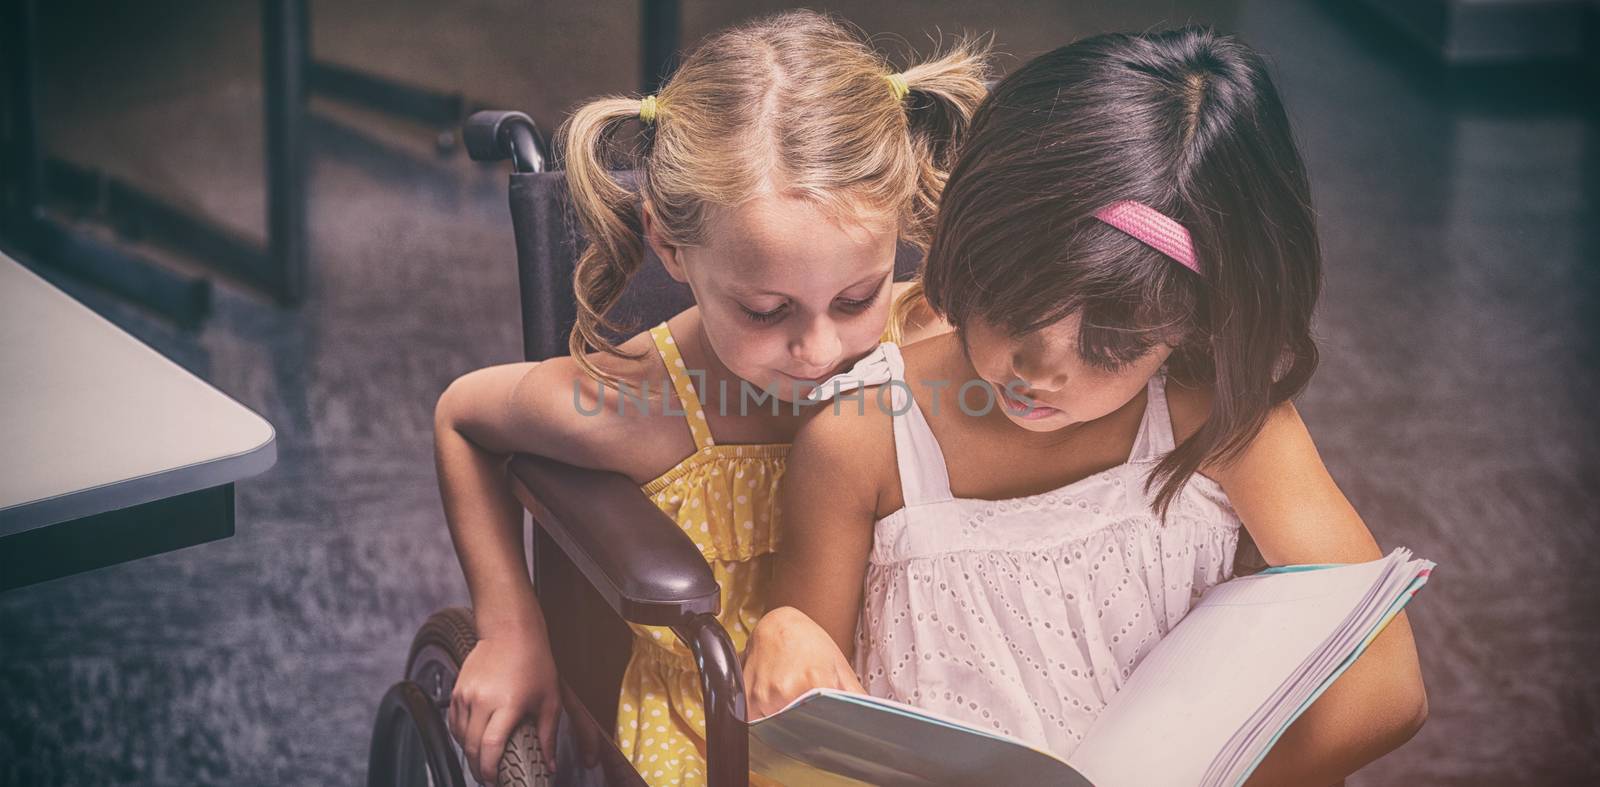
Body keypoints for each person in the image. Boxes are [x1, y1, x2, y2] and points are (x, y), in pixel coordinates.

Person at [745, 27, 1427, 785]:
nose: (1040, 371)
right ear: (973, 245)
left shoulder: (1219, 417)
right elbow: (803, 739)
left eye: (1110, 346)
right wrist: (781, 636)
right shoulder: (863, 438)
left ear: (1192, 323)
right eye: (1014, 306)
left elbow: (1388, 687)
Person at [434, 10, 988, 785]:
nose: (822, 350)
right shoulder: (638, 403)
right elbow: (463, 416)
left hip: (899, 703)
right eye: (768, 312)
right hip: (712, 730)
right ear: (669, 246)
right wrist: (511, 625)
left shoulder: (929, 333)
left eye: (858, 296)